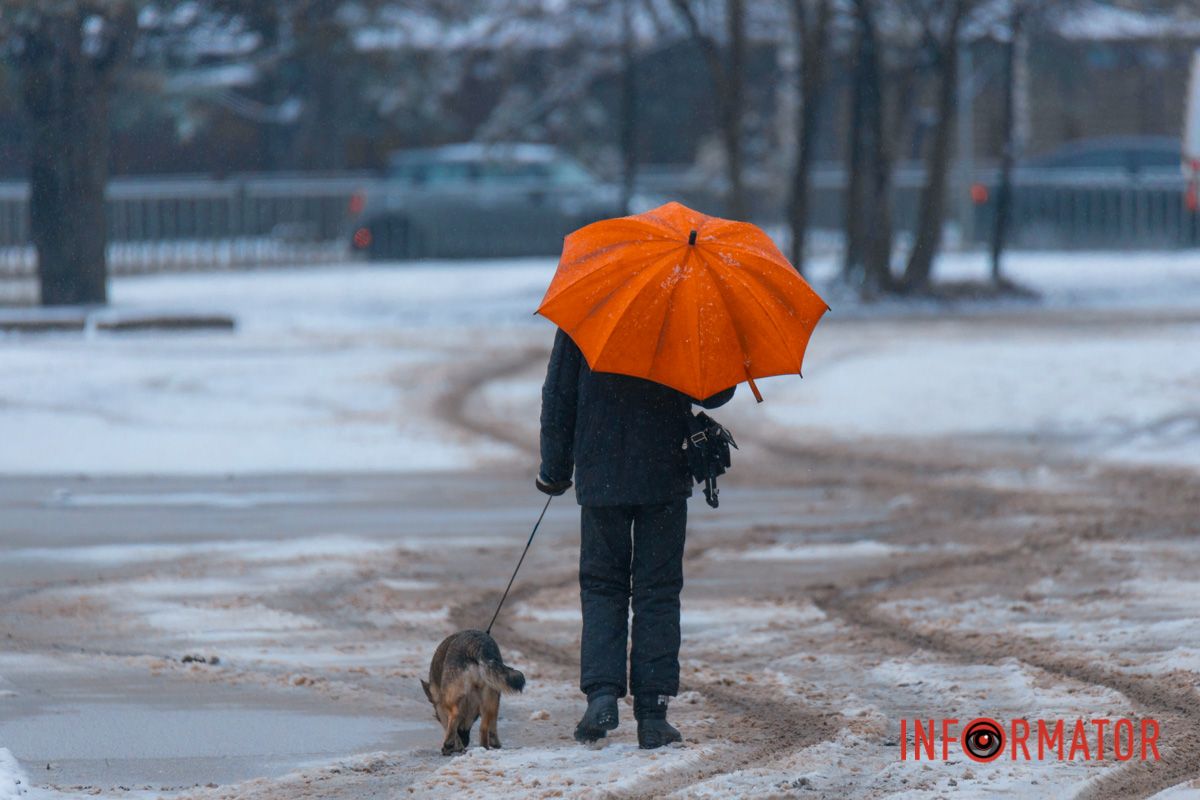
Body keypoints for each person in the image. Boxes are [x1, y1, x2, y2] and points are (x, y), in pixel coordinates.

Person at [536, 327, 735, 749]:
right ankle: (654, 713)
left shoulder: (589, 305)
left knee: (602, 584)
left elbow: (559, 394)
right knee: (658, 591)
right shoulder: (682, 307)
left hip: (601, 470)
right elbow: (716, 394)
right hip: (662, 469)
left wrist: (555, 469)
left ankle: (602, 694)